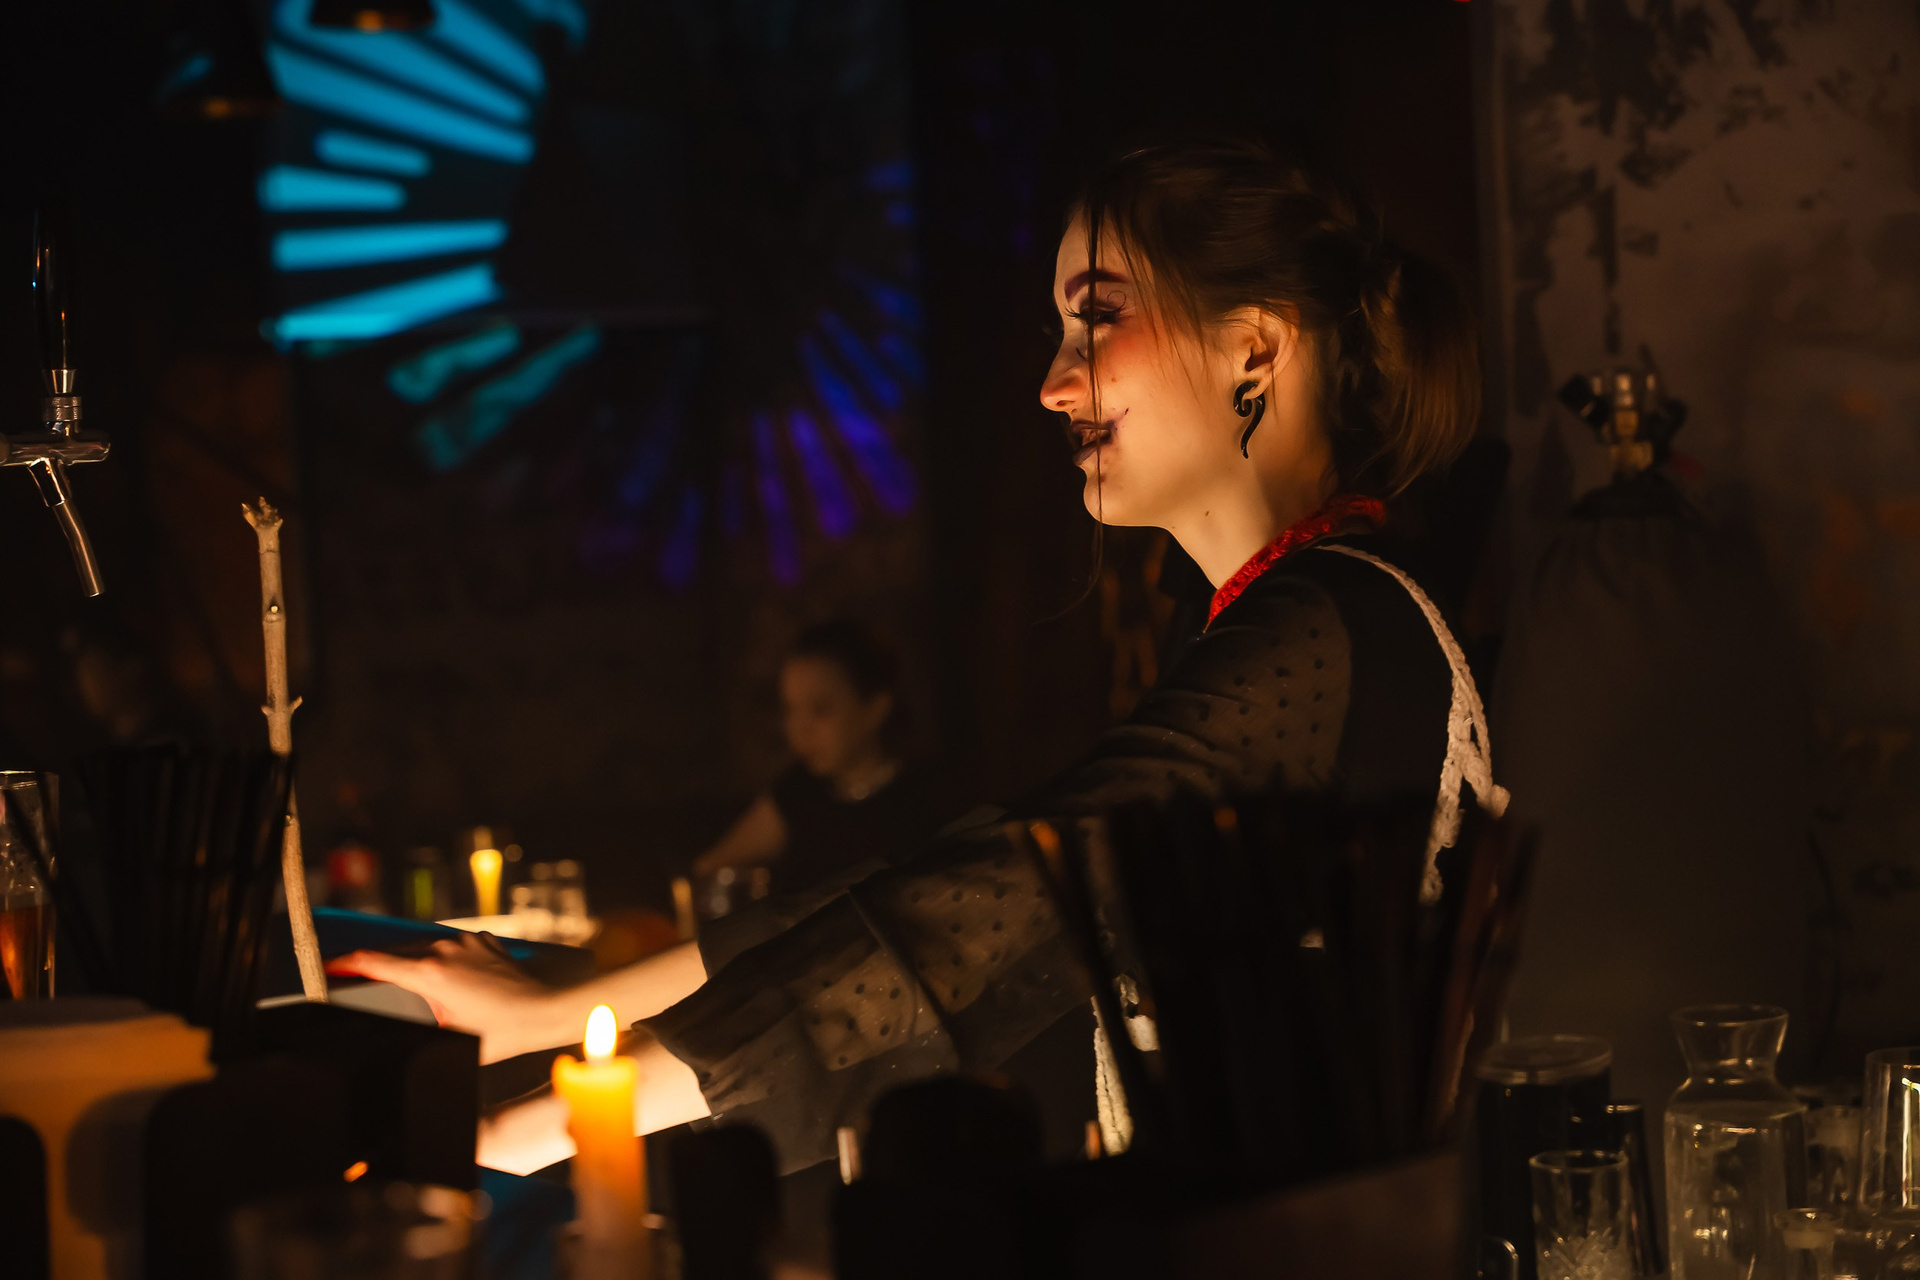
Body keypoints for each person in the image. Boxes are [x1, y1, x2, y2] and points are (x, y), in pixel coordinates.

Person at [331, 135, 1504, 1176]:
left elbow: (999, 903)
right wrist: (564, 1013)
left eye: (1097, 318)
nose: (1054, 385)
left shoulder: (1327, 624)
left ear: (1254, 348)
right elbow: (951, 886)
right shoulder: (1294, 618)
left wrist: (539, 1123)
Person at [690, 619, 949, 901]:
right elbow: (709, 868)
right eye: (790, 709)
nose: (799, 729)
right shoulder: (798, 792)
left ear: (875, 709)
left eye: (821, 709)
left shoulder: (922, 803)